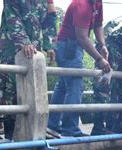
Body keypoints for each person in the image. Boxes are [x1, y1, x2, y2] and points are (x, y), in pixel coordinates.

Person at [47, 0, 111, 137]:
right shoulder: (81, 5)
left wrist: (103, 45)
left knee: (64, 85)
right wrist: (99, 59)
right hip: (68, 46)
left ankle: (51, 125)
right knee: (75, 84)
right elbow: (82, 38)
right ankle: (70, 129)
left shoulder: (97, 3)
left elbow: (98, 25)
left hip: (75, 46)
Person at [0, 0, 57, 140]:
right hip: (11, 50)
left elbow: (50, 19)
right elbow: (12, 17)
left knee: (34, 92)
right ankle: (10, 140)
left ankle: (31, 139)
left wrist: (50, 45)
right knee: (10, 96)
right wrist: (24, 42)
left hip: (34, 52)